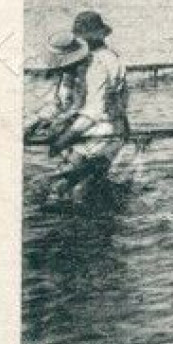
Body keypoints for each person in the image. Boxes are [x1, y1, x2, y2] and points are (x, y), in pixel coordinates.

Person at [37, 12, 130, 203]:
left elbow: (94, 111)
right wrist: (39, 121)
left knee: (71, 187)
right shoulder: (75, 64)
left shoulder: (102, 62)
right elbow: (62, 101)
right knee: (68, 187)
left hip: (105, 129)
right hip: (85, 126)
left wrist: (65, 138)